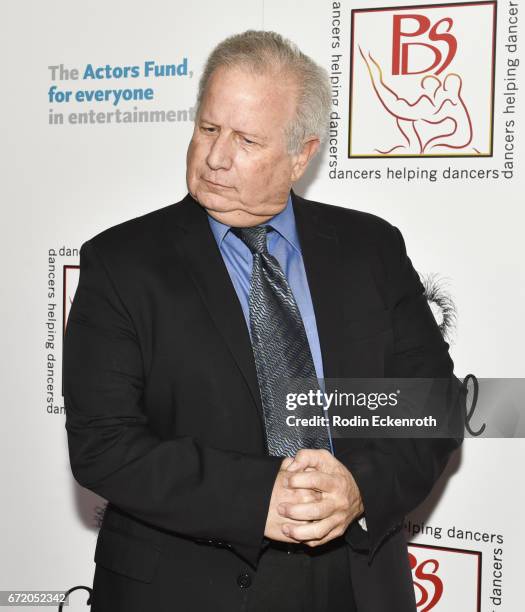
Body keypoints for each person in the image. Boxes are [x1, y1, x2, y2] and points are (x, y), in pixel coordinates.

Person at [64, 30, 464, 612]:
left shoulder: (370, 248)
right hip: (185, 587)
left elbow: (434, 403)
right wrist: (258, 499)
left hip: (354, 583)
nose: (216, 157)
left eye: (247, 139)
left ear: (301, 155)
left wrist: (359, 489)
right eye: (208, 129)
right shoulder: (121, 263)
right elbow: (103, 443)